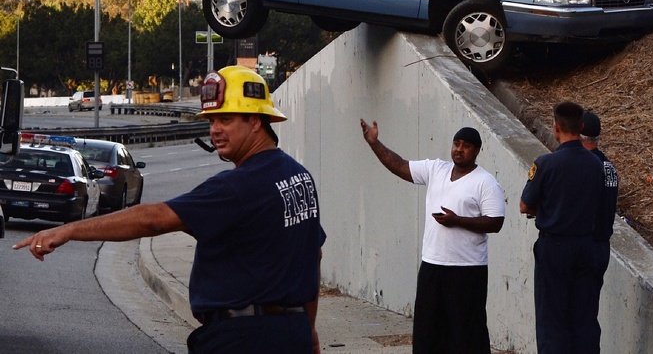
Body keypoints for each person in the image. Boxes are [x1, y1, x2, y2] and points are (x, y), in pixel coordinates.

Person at [15, 66, 325, 354]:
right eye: (211, 120)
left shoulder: (237, 187)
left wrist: (69, 230)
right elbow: (313, 256)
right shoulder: (298, 177)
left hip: (244, 338)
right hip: (291, 331)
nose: (215, 130)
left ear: (256, 121)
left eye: (226, 119)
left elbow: (153, 220)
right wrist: (308, 328)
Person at [360, 119, 505, 354]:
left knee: (466, 333)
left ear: (477, 151)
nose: (459, 149)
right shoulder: (437, 169)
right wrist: (375, 143)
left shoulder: (485, 183)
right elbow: (400, 166)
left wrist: (457, 220)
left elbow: (495, 222)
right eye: (456, 144)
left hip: (467, 270)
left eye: (466, 145)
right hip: (432, 265)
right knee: (428, 332)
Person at [519, 101, 605, 354]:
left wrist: (546, 211)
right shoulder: (595, 165)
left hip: (554, 247)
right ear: (580, 127)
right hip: (586, 246)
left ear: (556, 128)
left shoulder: (546, 164)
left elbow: (525, 205)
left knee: (552, 318)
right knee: (583, 316)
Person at [581, 110, 619, 345]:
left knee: (572, 314)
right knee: (589, 314)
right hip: (601, 246)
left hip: (583, 245)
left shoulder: (584, 167)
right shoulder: (609, 167)